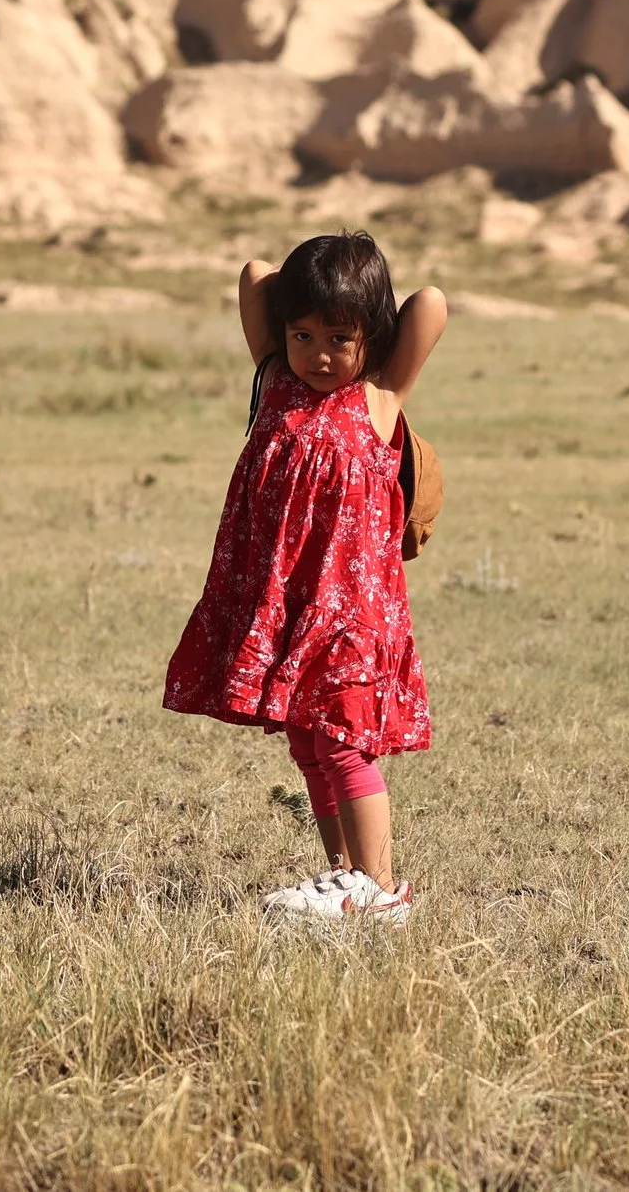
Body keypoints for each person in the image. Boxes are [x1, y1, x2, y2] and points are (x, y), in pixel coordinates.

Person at [162, 230, 449, 925]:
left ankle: (380, 889)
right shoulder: (273, 380)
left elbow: (431, 303)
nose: (318, 353)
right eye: (303, 333)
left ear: (371, 339)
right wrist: (304, 307)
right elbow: (256, 274)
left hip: (353, 609)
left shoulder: (379, 394)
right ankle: (343, 876)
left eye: (339, 338)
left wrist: (369, 331)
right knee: (311, 745)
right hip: (289, 606)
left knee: (345, 740)